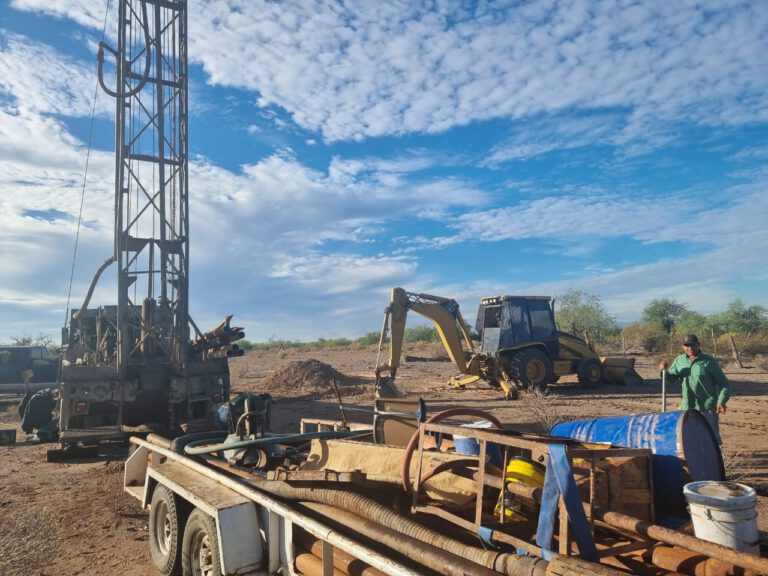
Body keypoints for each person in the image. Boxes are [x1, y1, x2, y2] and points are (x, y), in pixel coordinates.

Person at [659, 334, 730, 444]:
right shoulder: (679, 360)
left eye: (692, 345)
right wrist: (663, 371)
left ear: (698, 345)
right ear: (683, 347)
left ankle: (714, 460)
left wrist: (721, 401)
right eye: (686, 345)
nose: (690, 348)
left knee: (711, 439)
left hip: (708, 407)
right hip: (687, 407)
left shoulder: (709, 361)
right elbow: (671, 379)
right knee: (689, 438)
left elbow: (724, 384)